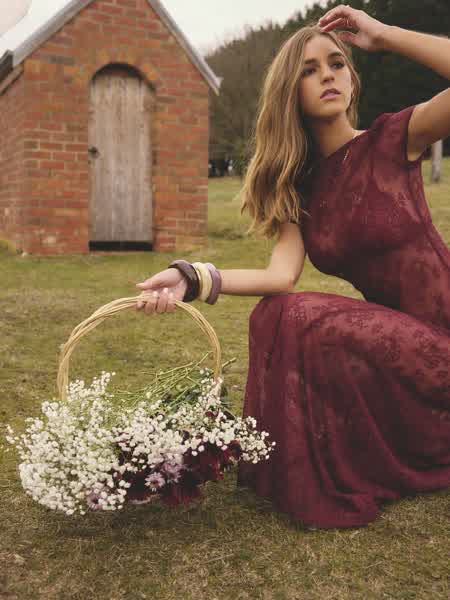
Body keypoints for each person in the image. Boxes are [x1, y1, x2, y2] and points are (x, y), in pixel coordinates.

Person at [134, 6, 450, 529]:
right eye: (309, 69)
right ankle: (295, 465)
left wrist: (386, 35)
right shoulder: (302, 189)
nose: (328, 75)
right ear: (290, 90)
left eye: (337, 64)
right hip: (405, 347)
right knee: (274, 312)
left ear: (352, 78)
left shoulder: (394, 139)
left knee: (300, 314)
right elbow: (281, 278)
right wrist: (190, 277)